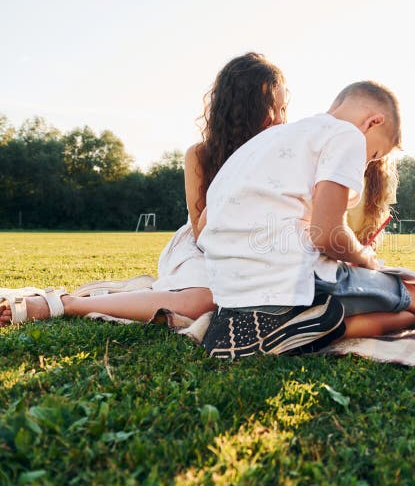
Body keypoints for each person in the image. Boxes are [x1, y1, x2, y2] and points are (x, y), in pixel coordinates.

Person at [0, 53, 288, 324]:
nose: (281, 120)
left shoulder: (284, 157)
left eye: (285, 109)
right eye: (277, 109)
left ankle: (136, 294)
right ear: (248, 111)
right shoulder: (200, 155)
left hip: (253, 249)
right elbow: (203, 234)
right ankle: (67, 303)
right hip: (201, 248)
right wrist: (240, 172)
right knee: (205, 302)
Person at [197, 81, 415, 358]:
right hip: (288, 280)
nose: (367, 164)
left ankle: (286, 322)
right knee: (412, 301)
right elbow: (326, 235)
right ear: (373, 122)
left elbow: (206, 223)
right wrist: (366, 259)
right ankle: (308, 327)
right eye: (374, 155)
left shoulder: (271, 138)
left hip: (230, 289)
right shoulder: (348, 135)